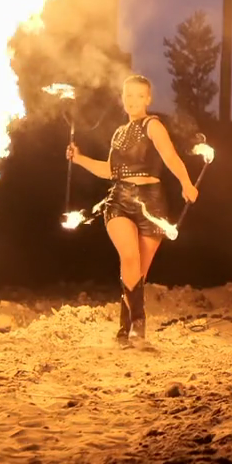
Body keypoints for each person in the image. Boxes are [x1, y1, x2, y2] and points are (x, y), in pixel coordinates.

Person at [67, 75, 199, 349]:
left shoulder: (153, 126)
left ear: (148, 99)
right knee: (129, 257)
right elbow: (110, 171)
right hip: (120, 200)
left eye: (139, 95)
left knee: (138, 274)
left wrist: (186, 183)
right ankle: (139, 326)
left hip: (152, 203)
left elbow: (170, 156)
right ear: (122, 98)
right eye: (128, 95)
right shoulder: (118, 133)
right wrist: (79, 159)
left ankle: (123, 331)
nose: (132, 101)